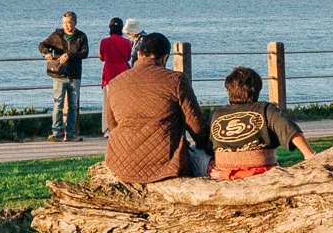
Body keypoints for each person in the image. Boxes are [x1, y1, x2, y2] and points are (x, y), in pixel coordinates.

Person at [101, 33, 207, 181]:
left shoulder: (115, 83)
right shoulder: (176, 80)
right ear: (165, 58)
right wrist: (208, 145)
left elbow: (112, 125)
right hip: (167, 166)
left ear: (139, 54)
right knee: (205, 159)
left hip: (121, 165)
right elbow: (196, 127)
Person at [207, 66, 314, 178]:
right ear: (257, 89)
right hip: (260, 170)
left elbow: (207, 144)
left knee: (198, 152)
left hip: (223, 171)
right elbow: (291, 131)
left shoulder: (217, 113)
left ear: (229, 90)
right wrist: (309, 155)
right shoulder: (265, 109)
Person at [38, 11, 89, 142]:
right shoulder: (56, 35)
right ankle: (57, 132)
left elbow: (85, 53)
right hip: (59, 74)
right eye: (64, 22)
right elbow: (42, 45)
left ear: (75, 22)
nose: (66, 25)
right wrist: (46, 52)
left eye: (69, 22)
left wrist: (70, 55)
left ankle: (71, 133)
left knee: (73, 106)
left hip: (74, 75)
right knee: (58, 104)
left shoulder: (81, 36)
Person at [97, 16, 134, 90]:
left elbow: (102, 58)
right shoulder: (127, 42)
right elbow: (128, 58)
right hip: (123, 72)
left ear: (110, 28)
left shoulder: (104, 41)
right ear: (121, 28)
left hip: (109, 72)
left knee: (109, 94)